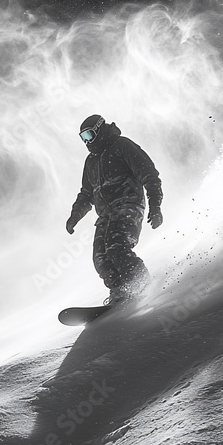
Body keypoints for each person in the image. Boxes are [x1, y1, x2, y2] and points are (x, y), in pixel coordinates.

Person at [66, 114, 163, 303]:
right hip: (105, 216)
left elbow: (149, 173)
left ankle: (141, 284)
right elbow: (86, 194)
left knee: (116, 248)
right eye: (83, 138)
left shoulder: (122, 146)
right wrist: (74, 216)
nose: (87, 141)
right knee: (100, 259)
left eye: (89, 135)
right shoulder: (91, 161)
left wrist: (155, 206)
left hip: (128, 206)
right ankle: (121, 291)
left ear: (100, 130)